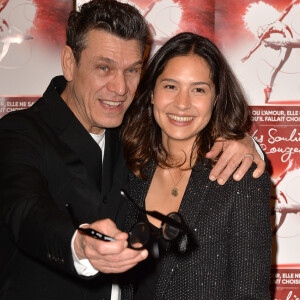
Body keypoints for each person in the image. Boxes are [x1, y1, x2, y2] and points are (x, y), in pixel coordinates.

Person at [0, 1, 265, 299]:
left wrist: (246, 145)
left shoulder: (130, 136)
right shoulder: (19, 133)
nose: (120, 88)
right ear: (69, 63)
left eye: (131, 70)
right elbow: (24, 211)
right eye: (104, 68)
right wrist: (78, 244)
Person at [121, 32, 272, 299]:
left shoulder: (241, 178)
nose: (182, 103)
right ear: (152, 93)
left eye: (198, 89)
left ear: (215, 99)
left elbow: (250, 294)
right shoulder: (127, 167)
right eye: (170, 86)